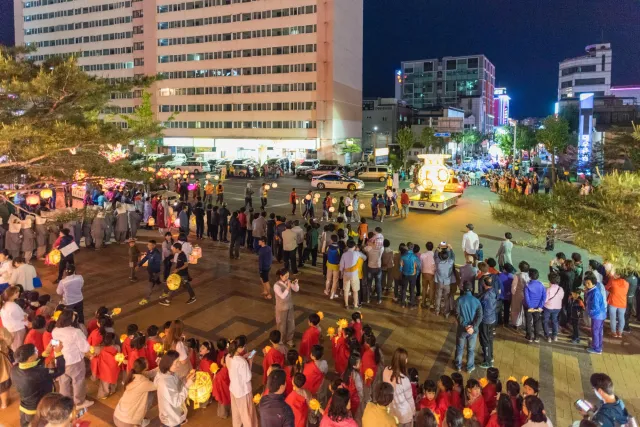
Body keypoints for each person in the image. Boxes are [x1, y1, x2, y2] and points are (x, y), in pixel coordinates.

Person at [11, 341, 65, 427]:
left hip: (24, 409)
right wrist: (58, 353)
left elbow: (32, 364)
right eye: (36, 351)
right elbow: (60, 370)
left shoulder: (15, 368)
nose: (37, 351)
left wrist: (46, 353)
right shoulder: (39, 373)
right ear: (30, 358)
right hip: (37, 410)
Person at [51, 309, 93, 409]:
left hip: (60, 360)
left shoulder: (55, 331)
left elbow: (55, 345)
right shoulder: (76, 332)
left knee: (63, 382)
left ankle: (64, 402)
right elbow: (85, 348)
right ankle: (79, 402)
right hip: (74, 361)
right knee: (78, 381)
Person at [155, 350, 195, 427]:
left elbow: (177, 384)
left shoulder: (171, 373)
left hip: (174, 414)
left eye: (178, 361)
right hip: (170, 419)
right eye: (176, 363)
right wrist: (187, 386)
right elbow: (176, 401)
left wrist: (185, 380)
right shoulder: (165, 382)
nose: (178, 365)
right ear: (168, 364)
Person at [227, 335, 259, 427]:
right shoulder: (242, 362)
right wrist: (250, 361)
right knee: (247, 416)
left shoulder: (229, 356)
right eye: (244, 346)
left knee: (236, 414)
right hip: (243, 392)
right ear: (240, 347)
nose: (245, 348)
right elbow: (247, 378)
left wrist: (244, 356)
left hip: (233, 389)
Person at [382, 348, 415, 427]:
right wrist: (413, 413)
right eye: (405, 358)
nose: (407, 360)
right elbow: (409, 399)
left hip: (392, 410)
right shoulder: (404, 380)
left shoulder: (386, 370)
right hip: (404, 414)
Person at [455, 281, 483, 373]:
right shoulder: (476, 301)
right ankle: (469, 367)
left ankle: (458, 365)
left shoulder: (459, 300)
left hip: (462, 330)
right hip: (473, 331)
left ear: (463, 289)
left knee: (460, 348)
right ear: (471, 289)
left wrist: (465, 326)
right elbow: (479, 316)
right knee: (471, 349)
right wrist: (472, 327)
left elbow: (457, 314)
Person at [274, 268, 299, 347]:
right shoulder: (276, 285)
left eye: (288, 276)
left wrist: (295, 284)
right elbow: (282, 296)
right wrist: (288, 287)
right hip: (281, 308)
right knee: (281, 325)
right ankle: (281, 340)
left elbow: (296, 289)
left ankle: (289, 339)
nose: (287, 278)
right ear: (281, 276)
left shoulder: (288, 282)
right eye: (285, 276)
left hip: (289, 306)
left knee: (291, 323)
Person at [339, 240, 367, 309]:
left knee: (346, 290)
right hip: (354, 274)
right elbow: (365, 258)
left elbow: (341, 266)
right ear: (354, 246)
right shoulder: (357, 253)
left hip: (346, 274)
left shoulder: (344, 254)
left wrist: (341, 274)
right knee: (355, 290)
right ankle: (355, 305)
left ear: (347, 246)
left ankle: (346, 304)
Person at [1, 286, 29, 352]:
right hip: (17, 330)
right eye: (16, 292)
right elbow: (22, 318)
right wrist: (26, 316)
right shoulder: (13, 307)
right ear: (11, 295)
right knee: (18, 348)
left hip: (10, 329)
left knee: (14, 346)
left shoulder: (5, 304)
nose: (18, 293)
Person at [584, 271, 607, 354]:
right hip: (601, 315)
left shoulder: (595, 293)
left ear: (593, 282)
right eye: (586, 283)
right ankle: (598, 346)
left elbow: (595, 307)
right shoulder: (594, 289)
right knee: (599, 332)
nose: (586, 285)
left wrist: (590, 313)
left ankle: (596, 349)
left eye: (588, 283)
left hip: (597, 316)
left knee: (595, 332)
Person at [478, 276, 497, 368]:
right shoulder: (493, 291)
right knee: (489, 339)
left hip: (485, 320)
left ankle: (488, 361)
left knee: (484, 340)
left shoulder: (485, 295)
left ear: (484, 284)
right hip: (492, 318)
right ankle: (490, 355)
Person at [523, 268, 546, 343]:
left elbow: (527, 298)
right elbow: (544, 297)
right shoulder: (541, 285)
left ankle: (529, 336)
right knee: (537, 321)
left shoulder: (527, 286)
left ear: (530, 276)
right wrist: (540, 306)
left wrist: (530, 307)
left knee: (528, 321)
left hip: (528, 307)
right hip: (538, 307)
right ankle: (537, 337)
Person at [137, 240, 162, 305]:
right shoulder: (149, 251)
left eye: (149, 245)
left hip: (155, 272)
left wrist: (154, 273)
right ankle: (166, 291)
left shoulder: (157, 254)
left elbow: (157, 264)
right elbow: (145, 258)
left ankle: (146, 298)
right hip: (150, 271)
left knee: (150, 286)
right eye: (148, 245)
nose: (148, 246)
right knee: (158, 282)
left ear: (154, 246)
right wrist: (139, 265)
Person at [434, 243, 456, 317]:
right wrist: (451, 249)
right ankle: (446, 312)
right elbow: (453, 257)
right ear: (447, 257)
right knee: (446, 298)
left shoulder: (438, 262)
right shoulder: (450, 262)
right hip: (447, 283)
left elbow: (435, 255)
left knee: (438, 296)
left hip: (439, 282)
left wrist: (438, 247)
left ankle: (437, 311)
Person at [605, 272, 629, 338]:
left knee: (613, 318)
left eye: (616, 274)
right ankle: (620, 332)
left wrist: (612, 278)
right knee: (621, 317)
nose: (614, 275)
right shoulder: (627, 283)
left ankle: (614, 332)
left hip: (613, 302)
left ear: (619, 275)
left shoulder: (613, 281)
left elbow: (606, 288)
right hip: (622, 303)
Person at [542, 271, 564, 343]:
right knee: (555, 321)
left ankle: (547, 336)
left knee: (545, 320)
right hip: (557, 308)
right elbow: (561, 297)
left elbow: (545, 300)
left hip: (548, 307)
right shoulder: (561, 289)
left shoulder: (549, 289)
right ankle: (555, 336)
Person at [510, 261, 530, 329]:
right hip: (527, 294)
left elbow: (514, 286)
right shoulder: (529, 276)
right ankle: (525, 322)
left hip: (518, 294)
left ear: (520, 268)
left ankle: (516, 323)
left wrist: (513, 293)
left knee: (516, 308)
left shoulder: (517, 275)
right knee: (524, 309)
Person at [420, 242, 436, 308]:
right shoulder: (435, 255)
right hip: (432, 274)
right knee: (432, 289)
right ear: (432, 247)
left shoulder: (422, 255)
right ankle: (431, 303)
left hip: (424, 273)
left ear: (426, 247)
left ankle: (423, 302)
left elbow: (421, 265)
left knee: (424, 288)